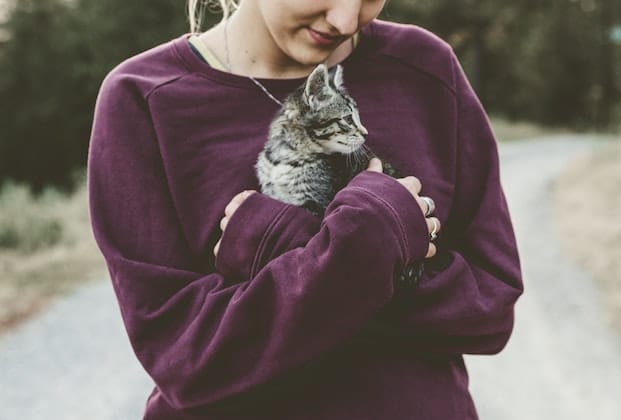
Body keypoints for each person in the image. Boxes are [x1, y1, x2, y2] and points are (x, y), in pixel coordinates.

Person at [88, 0, 523, 418]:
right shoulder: (144, 98)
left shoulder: (425, 68)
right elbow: (187, 361)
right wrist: (364, 243)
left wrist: (287, 245)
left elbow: (490, 310)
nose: (347, 18)